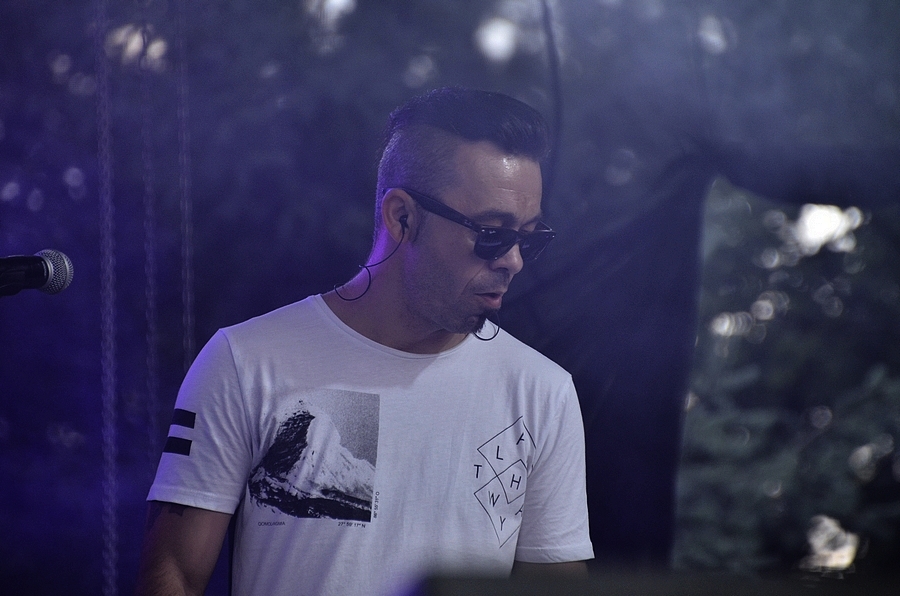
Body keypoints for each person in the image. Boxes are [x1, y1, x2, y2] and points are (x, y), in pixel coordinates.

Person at [136, 87, 594, 596]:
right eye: (492, 233)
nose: (514, 260)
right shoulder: (246, 361)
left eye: (529, 238)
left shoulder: (542, 392)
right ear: (402, 217)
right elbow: (172, 574)